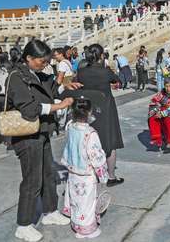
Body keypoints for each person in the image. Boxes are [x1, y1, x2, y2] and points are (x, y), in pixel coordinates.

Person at [7, 39, 78, 242]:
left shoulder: (35, 73)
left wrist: (65, 87)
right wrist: (59, 107)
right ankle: (24, 224)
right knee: (32, 180)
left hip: (41, 130)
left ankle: (49, 212)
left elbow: (50, 92)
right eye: (41, 60)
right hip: (26, 135)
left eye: (47, 61)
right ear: (28, 58)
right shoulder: (16, 77)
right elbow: (30, 109)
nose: (45, 64)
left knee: (48, 174)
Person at [76, 44, 125, 187]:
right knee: (110, 142)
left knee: (89, 142)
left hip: (88, 110)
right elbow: (118, 81)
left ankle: (90, 174)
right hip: (106, 109)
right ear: (102, 55)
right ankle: (110, 176)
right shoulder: (105, 71)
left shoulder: (82, 72)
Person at [61, 97, 109, 239]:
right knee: (87, 202)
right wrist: (103, 175)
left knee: (76, 200)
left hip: (73, 171)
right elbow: (96, 156)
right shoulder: (90, 133)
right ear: (89, 112)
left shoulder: (70, 126)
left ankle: (76, 225)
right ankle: (87, 229)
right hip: (87, 174)